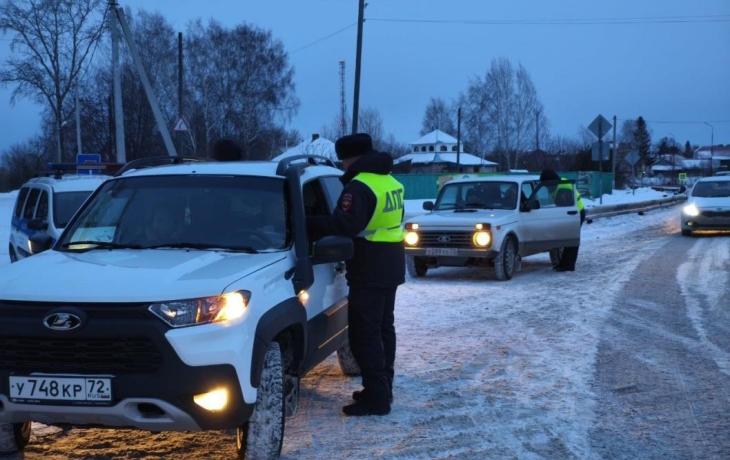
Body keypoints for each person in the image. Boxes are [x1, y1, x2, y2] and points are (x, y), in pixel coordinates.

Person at [307, 133, 405, 417]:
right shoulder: (390, 180)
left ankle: (376, 399)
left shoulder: (359, 185)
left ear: (350, 158)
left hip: (370, 267)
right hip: (391, 264)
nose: (343, 165)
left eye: (344, 160)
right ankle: (382, 388)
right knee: (383, 329)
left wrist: (306, 223)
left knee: (366, 334)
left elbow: (344, 225)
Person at [539, 169, 585, 272]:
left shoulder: (563, 189)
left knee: (571, 241)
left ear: (551, 181)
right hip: (573, 213)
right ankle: (564, 264)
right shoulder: (559, 183)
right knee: (568, 240)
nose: (546, 187)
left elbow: (563, 207)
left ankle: (568, 266)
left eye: (546, 184)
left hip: (575, 213)